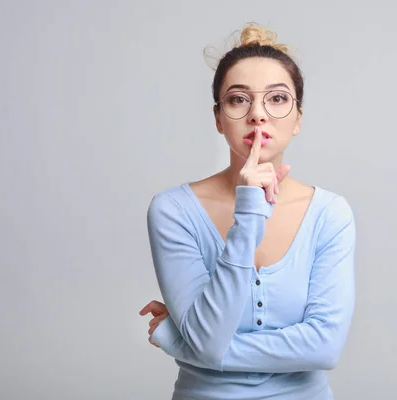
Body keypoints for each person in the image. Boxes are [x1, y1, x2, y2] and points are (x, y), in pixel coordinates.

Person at [139, 22, 357, 400]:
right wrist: (249, 213)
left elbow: (325, 347)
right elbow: (207, 340)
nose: (258, 114)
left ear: (298, 118)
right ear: (219, 117)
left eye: (277, 99)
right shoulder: (173, 210)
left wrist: (182, 341)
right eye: (239, 99)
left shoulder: (330, 214)